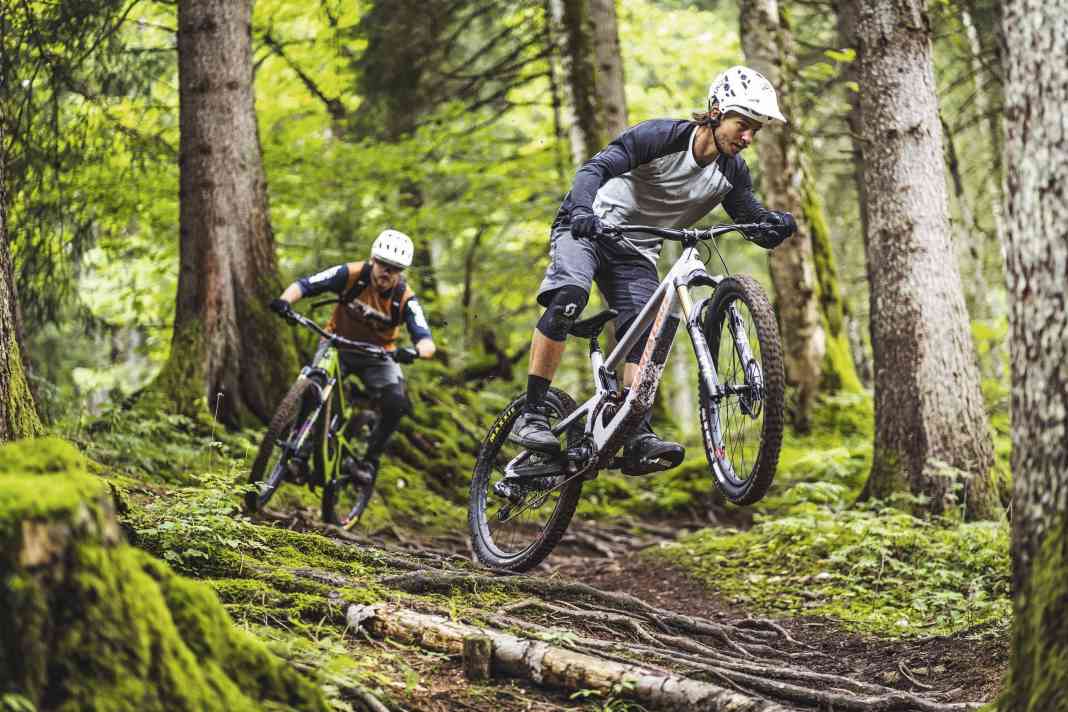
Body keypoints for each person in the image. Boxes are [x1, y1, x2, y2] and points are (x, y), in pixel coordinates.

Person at [510, 65, 797, 476]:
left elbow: (750, 219)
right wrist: (580, 210)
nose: (748, 137)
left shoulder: (731, 171)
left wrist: (775, 225)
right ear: (716, 111)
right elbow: (594, 169)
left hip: (635, 250)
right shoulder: (661, 137)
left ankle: (635, 432)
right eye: (743, 124)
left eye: (756, 130)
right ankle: (533, 414)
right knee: (569, 297)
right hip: (587, 228)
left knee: (650, 328)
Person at [269, 228, 435, 483]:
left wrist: (413, 352)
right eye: (382, 264)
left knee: (395, 402)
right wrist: (284, 301)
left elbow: (426, 341)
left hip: (378, 355)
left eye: (394, 268)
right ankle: (299, 456)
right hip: (336, 343)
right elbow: (306, 284)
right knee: (315, 385)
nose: (386, 272)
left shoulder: (405, 298)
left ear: (401, 272)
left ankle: (368, 461)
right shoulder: (351, 274)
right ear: (373, 260)